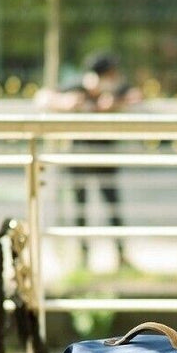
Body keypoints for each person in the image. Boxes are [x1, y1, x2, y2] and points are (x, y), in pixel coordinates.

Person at [34, 53, 141, 269]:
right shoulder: (76, 86)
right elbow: (41, 97)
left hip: (105, 157)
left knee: (113, 208)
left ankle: (120, 254)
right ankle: (84, 257)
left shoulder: (115, 89)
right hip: (79, 157)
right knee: (80, 209)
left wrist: (114, 103)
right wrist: (66, 103)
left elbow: (137, 95)